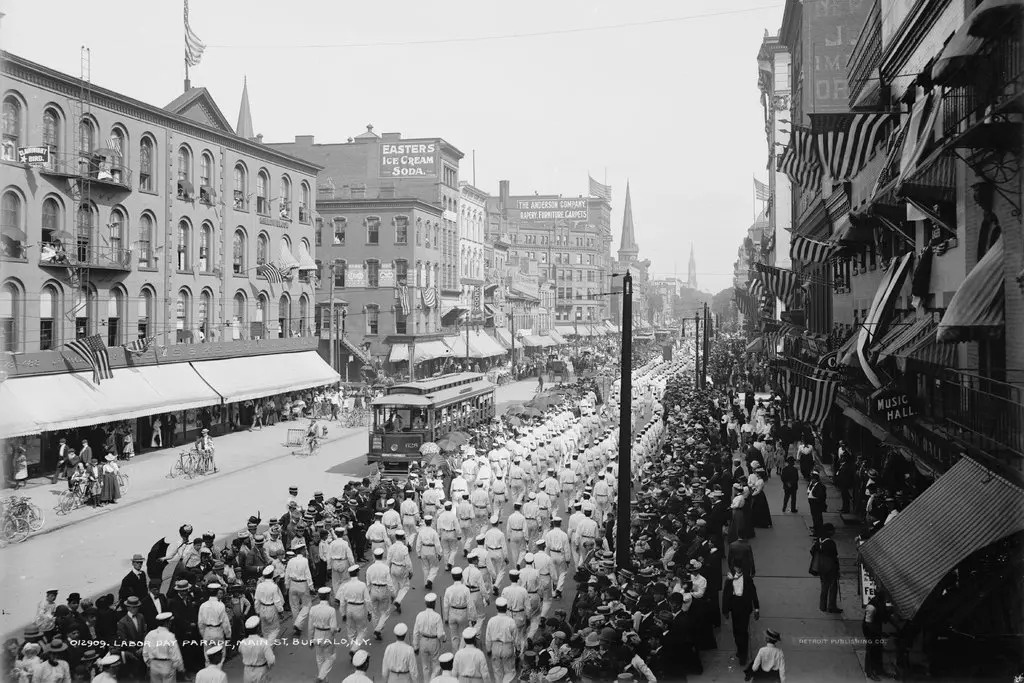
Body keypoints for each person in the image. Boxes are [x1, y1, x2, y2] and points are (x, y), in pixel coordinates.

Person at [722, 564, 760, 663]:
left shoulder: (747, 579)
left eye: (738, 567)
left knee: (743, 631)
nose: (737, 569)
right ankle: (740, 649)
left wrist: (756, 608)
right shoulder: (730, 579)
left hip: (745, 606)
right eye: (735, 568)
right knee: (736, 631)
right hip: (735, 606)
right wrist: (725, 610)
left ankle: (743, 655)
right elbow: (726, 595)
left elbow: (753, 593)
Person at [815, 523, 841, 614]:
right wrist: (837, 569)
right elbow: (835, 556)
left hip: (822, 568)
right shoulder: (830, 543)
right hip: (831, 569)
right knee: (833, 587)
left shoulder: (819, 540)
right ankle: (832, 606)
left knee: (824, 586)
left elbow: (812, 551)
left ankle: (822, 606)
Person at [807, 471, 827, 537]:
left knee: (817, 519)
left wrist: (816, 502)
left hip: (816, 505)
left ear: (816, 479)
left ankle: (818, 533)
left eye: (812, 479)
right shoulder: (812, 484)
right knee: (814, 518)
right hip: (812, 504)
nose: (811, 480)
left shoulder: (819, 486)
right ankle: (815, 528)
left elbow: (821, 496)